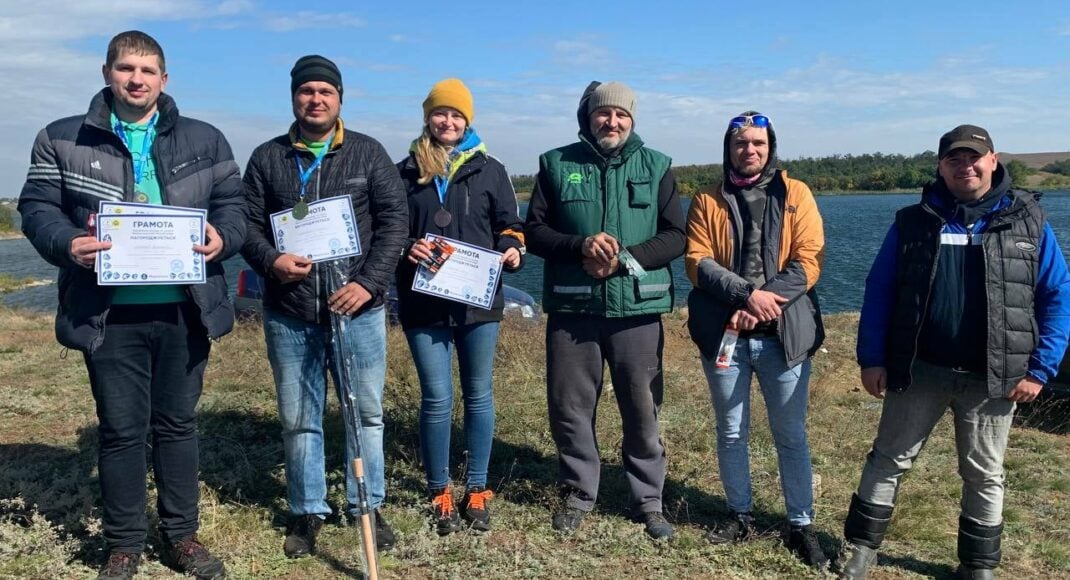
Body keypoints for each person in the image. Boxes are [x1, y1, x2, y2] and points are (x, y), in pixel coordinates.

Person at [17, 30, 244, 580]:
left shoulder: (205, 138)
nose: (136, 80)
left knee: (177, 424)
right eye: (125, 69)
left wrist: (224, 238)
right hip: (108, 312)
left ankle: (182, 537)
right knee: (119, 428)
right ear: (106, 73)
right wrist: (66, 243)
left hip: (183, 309)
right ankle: (124, 545)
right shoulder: (62, 137)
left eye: (146, 71)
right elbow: (36, 206)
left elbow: (234, 204)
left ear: (164, 80)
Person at [839, 125, 1070, 580]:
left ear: (993, 159)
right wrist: (872, 358)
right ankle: (862, 549)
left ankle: (977, 566)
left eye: (974, 158)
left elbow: (1057, 295)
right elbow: (880, 290)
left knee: (985, 473)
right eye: (954, 160)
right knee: (887, 460)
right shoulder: (913, 220)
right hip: (919, 368)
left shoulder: (1028, 220)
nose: (965, 167)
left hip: (994, 376)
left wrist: (1041, 368)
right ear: (940, 166)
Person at [240, 55, 408, 558]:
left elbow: (394, 221)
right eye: (306, 91)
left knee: (367, 415)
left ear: (340, 99)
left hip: (357, 311)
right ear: (294, 97)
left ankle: (368, 505)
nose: (316, 99)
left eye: (325, 92)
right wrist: (271, 260)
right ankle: (307, 508)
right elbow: (244, 225)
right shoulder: (267, 157)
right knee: (299, 418)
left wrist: (369, 284)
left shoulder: (368, 153)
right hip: (291, 313)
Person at [524, 81, 686, 540]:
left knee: (642, 408)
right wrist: (580, 247)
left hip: (637, 310)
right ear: (588, 118)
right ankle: (578, 494)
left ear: (632, 120)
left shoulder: (657, 166)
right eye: (603, 114)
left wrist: (626, 259)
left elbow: (676, 235)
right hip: (574, 310)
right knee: (570, 406)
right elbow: (534, 231)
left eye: (621, 116)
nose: (611, 122)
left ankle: (649, 501)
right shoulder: (556, 164)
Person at [683, 111, 828, 567]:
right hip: (726, 336)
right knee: (731, 431)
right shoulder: (707, 200)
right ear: (728, 148)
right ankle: (739, 514)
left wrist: (766, 301)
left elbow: (810, 259)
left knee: (791, 435)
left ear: (771, 148)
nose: (750, 150)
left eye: (759, 144)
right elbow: (697, 261)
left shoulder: (795, 194)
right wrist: (747, 297)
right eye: (741, 143)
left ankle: (801, 524)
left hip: (784, 338)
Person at [395, 78, 525, 535]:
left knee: (479, 395)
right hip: (423, 304)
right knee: (436, 398)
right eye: (440, 113)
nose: (448, 121)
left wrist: (512, 249)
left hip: (479, 304)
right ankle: (438, 489)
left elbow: (510, 224)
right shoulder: (405, 171)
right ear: (427, 118)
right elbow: (388, 233)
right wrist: (407, 247)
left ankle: (477, 487)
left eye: (457, 115)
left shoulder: (492, 169)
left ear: (468, 121)